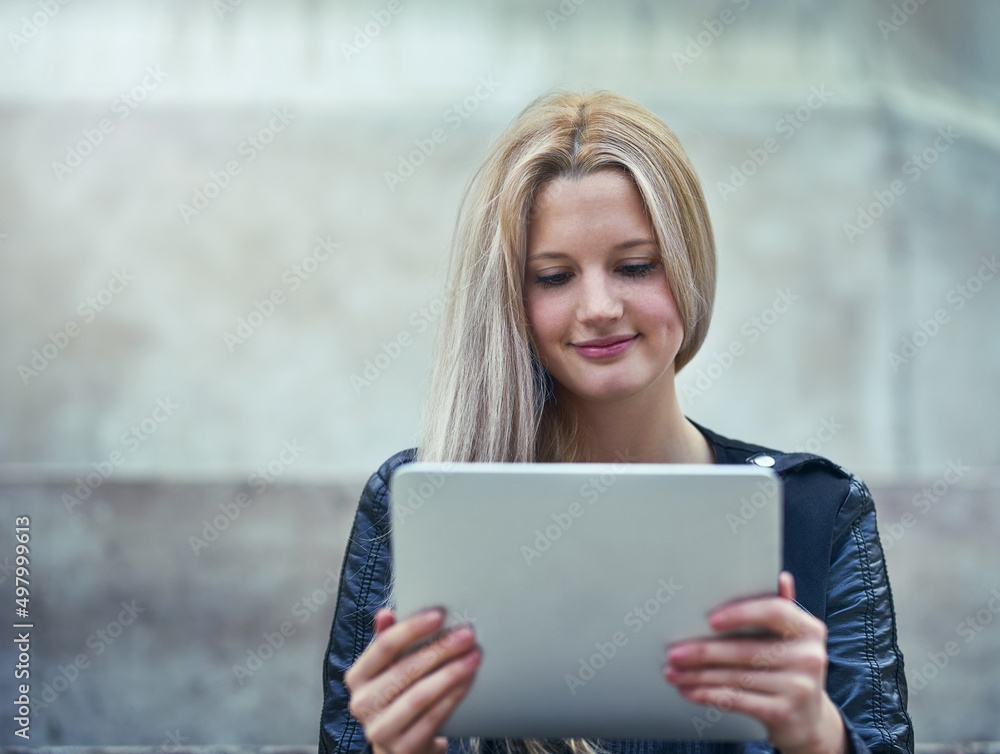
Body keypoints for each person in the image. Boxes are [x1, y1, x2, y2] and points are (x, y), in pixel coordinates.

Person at [319, 89, 914, 754]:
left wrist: (817, 736)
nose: (599, 306)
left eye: (635, 266)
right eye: (553, 277)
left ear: (689, 268)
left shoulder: (818, 512)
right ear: (511, 298)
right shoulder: (418, 504)